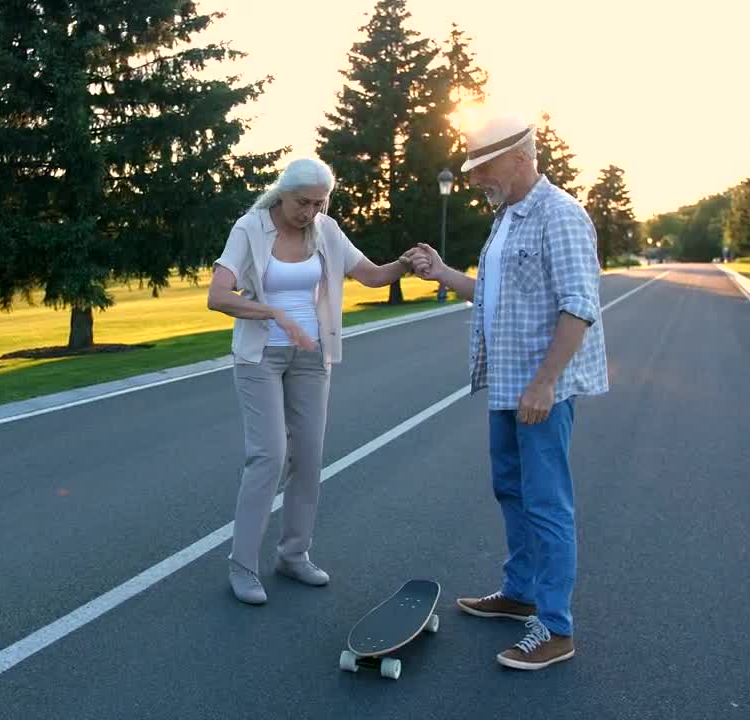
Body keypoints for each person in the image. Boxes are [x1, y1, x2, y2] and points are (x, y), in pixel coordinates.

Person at [404, 113, 608, 669]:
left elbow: (579, 305)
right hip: (507, 386)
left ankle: (556, 628)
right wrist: (443, 272)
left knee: (546, 503)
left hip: (540, 391)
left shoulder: (560, 215)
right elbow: (494, 295)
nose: (474, 180)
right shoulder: (508, 219)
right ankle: (520, 593)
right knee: (511, 491)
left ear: (521, 157)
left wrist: (545, 383)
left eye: (483, 167)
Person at [208, 157, 411, 606]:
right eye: (303, 203)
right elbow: (218, 296)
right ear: (283, 193)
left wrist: (406, 263)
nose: (310, 213)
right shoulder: (250, 228)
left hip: (311, 356)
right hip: (259, 356)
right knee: (269, 455)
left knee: (309, 457)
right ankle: (242, 565)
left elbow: (373, 276)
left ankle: (293, 554)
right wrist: (275, 313)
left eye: (319, 204)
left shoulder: (328, 231)